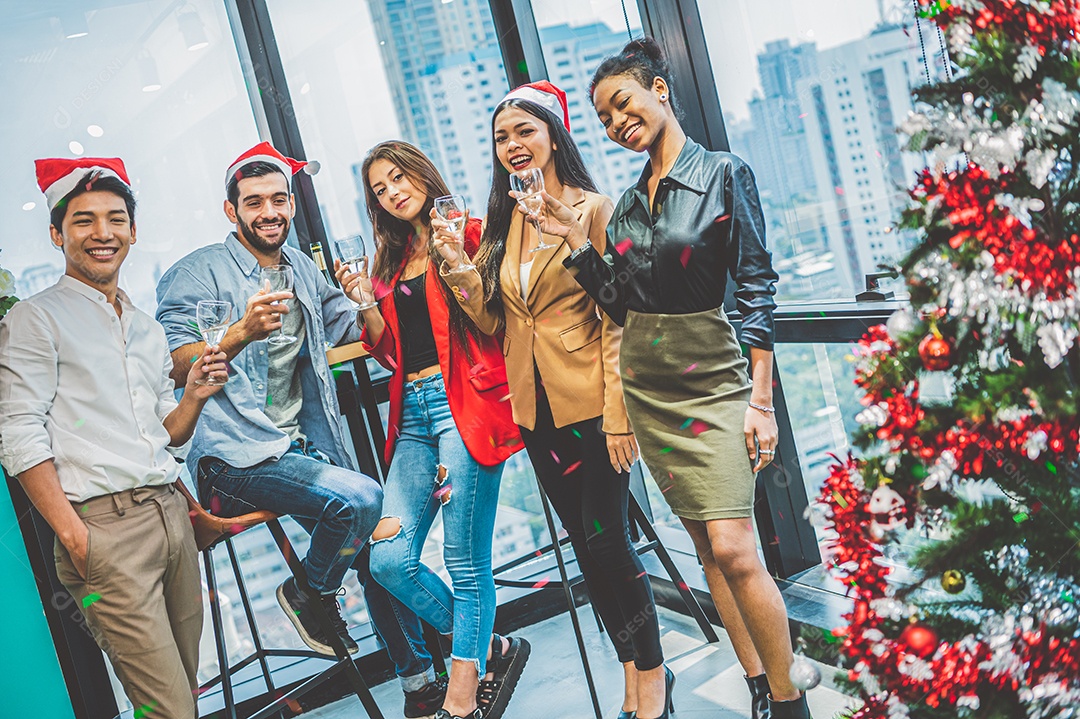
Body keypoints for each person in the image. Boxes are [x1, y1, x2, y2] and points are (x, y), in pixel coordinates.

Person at [536, 39, 815, 719]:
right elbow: (620, 305)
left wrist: (760, 401)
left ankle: (789, 702)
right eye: (602, 119)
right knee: (706, 549)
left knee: (734, 546)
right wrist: (576, 245)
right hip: (650, 388)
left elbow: (754, 287)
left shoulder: (724, 173)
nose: (614, 123)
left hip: (714, 378)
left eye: (621, 104)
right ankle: (755, 679)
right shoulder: (628, 205)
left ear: (659, 89)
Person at [154, 142, 445, 718]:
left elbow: (353, 324)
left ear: (290, 204)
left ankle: (419, 687)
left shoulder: (300, 269)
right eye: (254, 202)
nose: (270, 212)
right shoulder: (197, 272)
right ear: (230, 211)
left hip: (301, 450)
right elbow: (173, 359)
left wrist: (365, 301)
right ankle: (310, 591)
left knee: (374, 542)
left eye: (279, 200)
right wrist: (239, 331)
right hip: (232, 463)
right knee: (362, 499)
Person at [432, 81, 669, 719]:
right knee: (589, 552)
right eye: (501, 137)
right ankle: (630, 679)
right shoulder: (508, 221)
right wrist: (457, 264)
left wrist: (622, 419)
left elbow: (620, 318)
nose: (512, 146)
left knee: (610, 543)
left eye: (524, 132)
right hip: (538, 414)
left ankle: (654, 685)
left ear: (555, 135)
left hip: (596, 408)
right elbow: (493, 323)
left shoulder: (593, 209)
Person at [0, 157, 227, 719]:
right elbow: (18, 432)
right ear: (57, 234)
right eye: (83, 220)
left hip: (170, 517)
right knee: (168, 707)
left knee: (183, 694)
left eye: (115, 219)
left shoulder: (145, 327)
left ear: (132, 230)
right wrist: (77, 538)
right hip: (103, 533)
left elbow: (163, 438)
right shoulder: (34, 320)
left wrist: (193, 396)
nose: (102, 233)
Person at [342, 140, 527, 719]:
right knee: (388, 560)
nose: (394, 191)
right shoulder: (390, 263)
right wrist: (365, 305)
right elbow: (393, 352)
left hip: (465, 405)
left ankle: (462, 697)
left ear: (422, 176)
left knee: (465, 559)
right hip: (415, 416)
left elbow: (495, 315)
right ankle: (490, 647)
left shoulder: (467, 231)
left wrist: (459, 262)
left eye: (400, 177)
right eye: (380, 188)